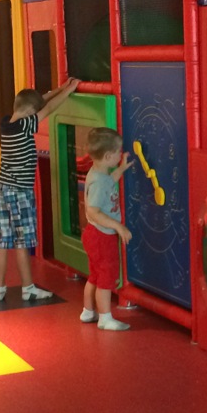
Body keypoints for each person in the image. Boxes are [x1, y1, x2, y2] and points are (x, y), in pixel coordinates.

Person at [0, 78, 79, 301]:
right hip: (20, 193)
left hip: (2, 191)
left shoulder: (6, 123)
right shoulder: (25, 125)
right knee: (22, 243)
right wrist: (68, 91)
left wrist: (58, 89)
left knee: (1, 242)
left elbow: (39, 102)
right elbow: (47, 108)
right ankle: (28, 288)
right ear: (30, 112)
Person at [80, 126, 133, 331]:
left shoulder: (98, 173)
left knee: (94, 275)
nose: (120, 154)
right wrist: (118, 226)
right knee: (106, 278)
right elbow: (93, 211)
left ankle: (88, 311)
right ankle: (105, 318)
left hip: (93, 234)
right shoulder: (99, 182)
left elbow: (109, 182)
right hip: (102, 236)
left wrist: (121, 168)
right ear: (109, 156)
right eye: (118, 152)